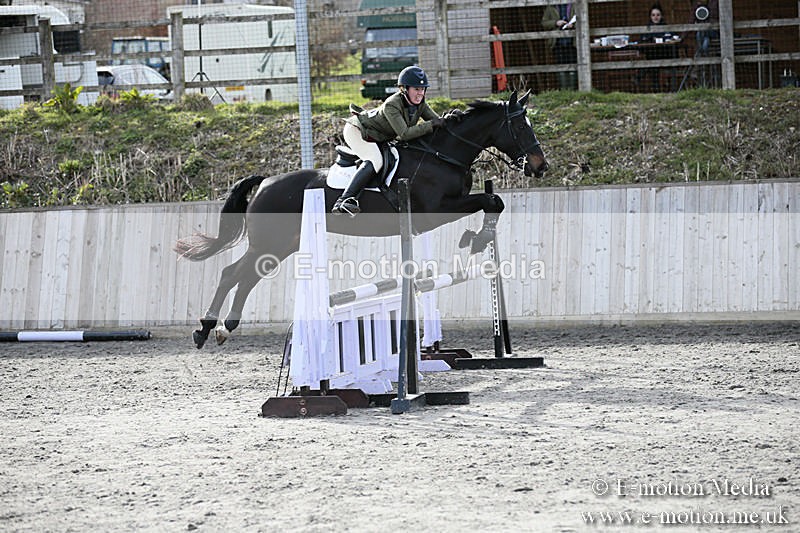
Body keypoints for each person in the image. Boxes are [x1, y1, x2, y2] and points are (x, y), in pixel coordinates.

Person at [332, 65, 444, 216]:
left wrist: (452, 119)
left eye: (423, 89)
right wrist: (431, 125)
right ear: (404, 89)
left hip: (378, 135)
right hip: (358, 131)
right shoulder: (392, 104)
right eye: (416, 89)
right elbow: (404, 134)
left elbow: (438, 122)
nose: (420, 93)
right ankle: (345, 200)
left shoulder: (420, 104)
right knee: (375, 160)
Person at [541, 3, 577, 90]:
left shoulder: (574, 5)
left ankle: (572, 90)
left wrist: (572, 25)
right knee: (560, 67)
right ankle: (564, 91)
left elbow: (582, 19)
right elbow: (544, 23)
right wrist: (556, 23)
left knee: (573, 66)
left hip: (572, 42)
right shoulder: (551, 7)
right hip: (557, 42)